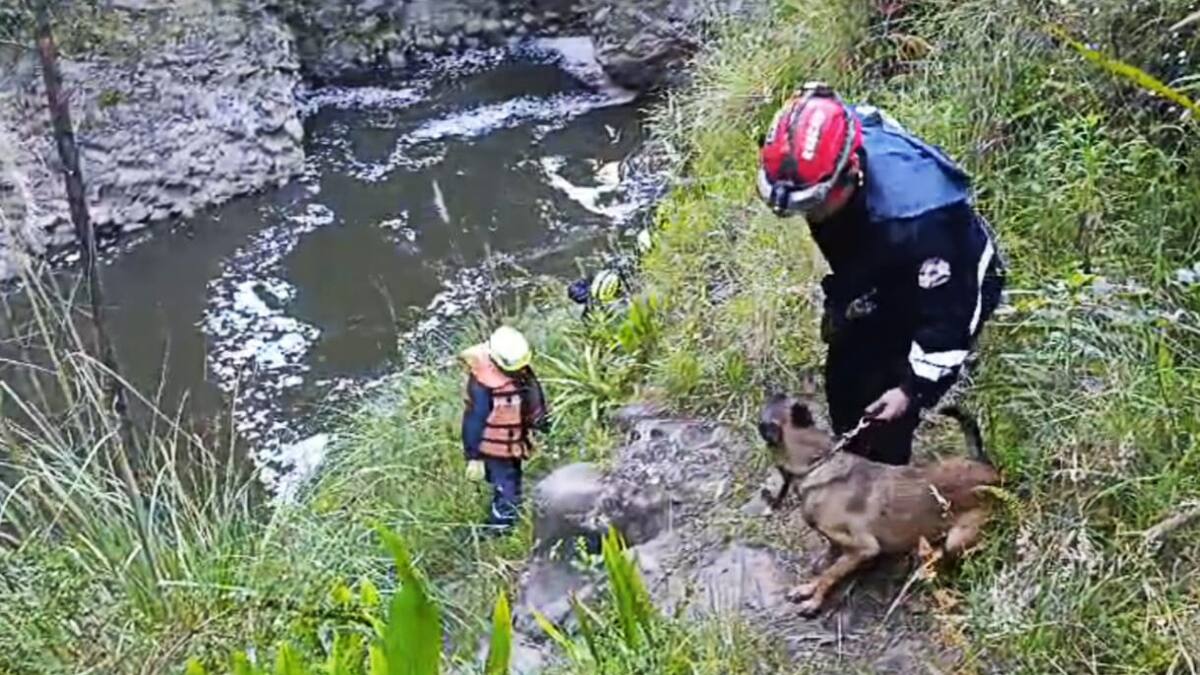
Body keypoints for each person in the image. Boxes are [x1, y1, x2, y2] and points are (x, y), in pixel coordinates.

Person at [756, 82, 1006, 466]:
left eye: (814, 203)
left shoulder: (924, 220)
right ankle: (854, 453)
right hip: (883, 265)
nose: (809, 215)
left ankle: (885, 484)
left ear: (851, 171)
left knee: (886, 415)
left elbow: (948, 320)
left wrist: (910, 389)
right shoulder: (836, 142)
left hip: (948, 286)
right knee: (847, 382)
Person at [460, 325, 549, 530]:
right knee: (506, 484)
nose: (518, 372)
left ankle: (505, 511)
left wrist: (541, 423)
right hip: (493, 448)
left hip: (514, 442)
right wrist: (474, 457)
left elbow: (533, 398)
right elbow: (474, 421)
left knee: (511, 478)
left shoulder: (521, 372)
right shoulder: (482, 384)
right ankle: (501, 524)